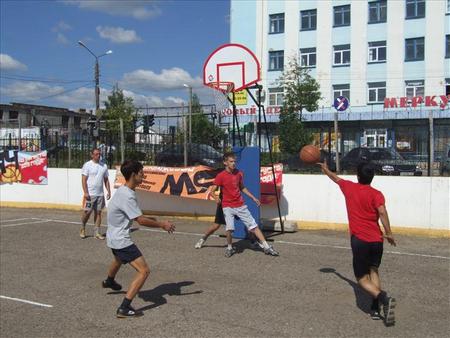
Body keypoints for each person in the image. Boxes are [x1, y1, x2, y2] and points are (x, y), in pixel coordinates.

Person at [319, 161, 397, 326]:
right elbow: (382, 211)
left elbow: (335, 178)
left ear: (357, 175)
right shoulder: (377, 194)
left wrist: (326, 170)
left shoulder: (349, 188)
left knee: (361, 279)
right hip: (377, 240)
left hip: (360, 240)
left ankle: (384, 298)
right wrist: (389, 233)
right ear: (372, 177)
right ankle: (375, 308)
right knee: (374, 271)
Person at [102, 160, 175, 318]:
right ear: (133, 175)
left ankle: (109, 281)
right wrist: (162, 224)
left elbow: (135, 216)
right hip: (121, 239)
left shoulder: (123, 191)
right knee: (144, 271)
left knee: (119, 258)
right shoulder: (128, 196)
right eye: (141, 172)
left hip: (112, 237)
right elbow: (140, 221)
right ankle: (124, 307)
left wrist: (151, 218)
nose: (144, 174)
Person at [208, 151, 278, 257]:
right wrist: (215, 197)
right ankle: (230, 248)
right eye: (231, 161)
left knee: (254, 227)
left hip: (240, 205)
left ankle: (267, 247)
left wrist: (253, 198)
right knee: (230, 229)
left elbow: (242, 187)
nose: (233, 163)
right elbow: (212, 191)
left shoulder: (239, 173)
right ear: (225, 162)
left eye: (234, 161)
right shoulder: (220, 176)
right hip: (227, 206)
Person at [80, 148, 111, 240]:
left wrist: (109, 191)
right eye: (96, 154)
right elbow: (84, 180)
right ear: (92, 155)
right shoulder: (87, 165)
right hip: (90, 194)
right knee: (87, 212)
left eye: (99, 154)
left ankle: (97, 232)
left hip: (100, 194)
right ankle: (82, 227)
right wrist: (85, 192)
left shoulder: (104, 166)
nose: (98, 156)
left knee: (98, 213)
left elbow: (106, 180)